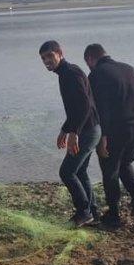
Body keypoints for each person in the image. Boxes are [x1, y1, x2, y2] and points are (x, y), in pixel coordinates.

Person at [84, 43, 134, 228]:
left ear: (90, 59)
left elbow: (102, 109)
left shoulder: (96, 75)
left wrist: (103, 137)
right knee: (125, 162)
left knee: (109, 169)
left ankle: (114, 214)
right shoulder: (131, 69)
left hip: (117, 129)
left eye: (87, 63)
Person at [39, 40, 101, 226]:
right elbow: (75, 109)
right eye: (43, 58)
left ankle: (83, 211)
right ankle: (93, 212)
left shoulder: (71, 73)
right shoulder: (64, 73)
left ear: (60, 53)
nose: (46, 61)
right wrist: (64, 130)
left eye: (50, 56)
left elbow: (85, 106)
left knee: (66, 172)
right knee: (79, 171)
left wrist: (75, 132)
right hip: (89, 129)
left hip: (88, 131)